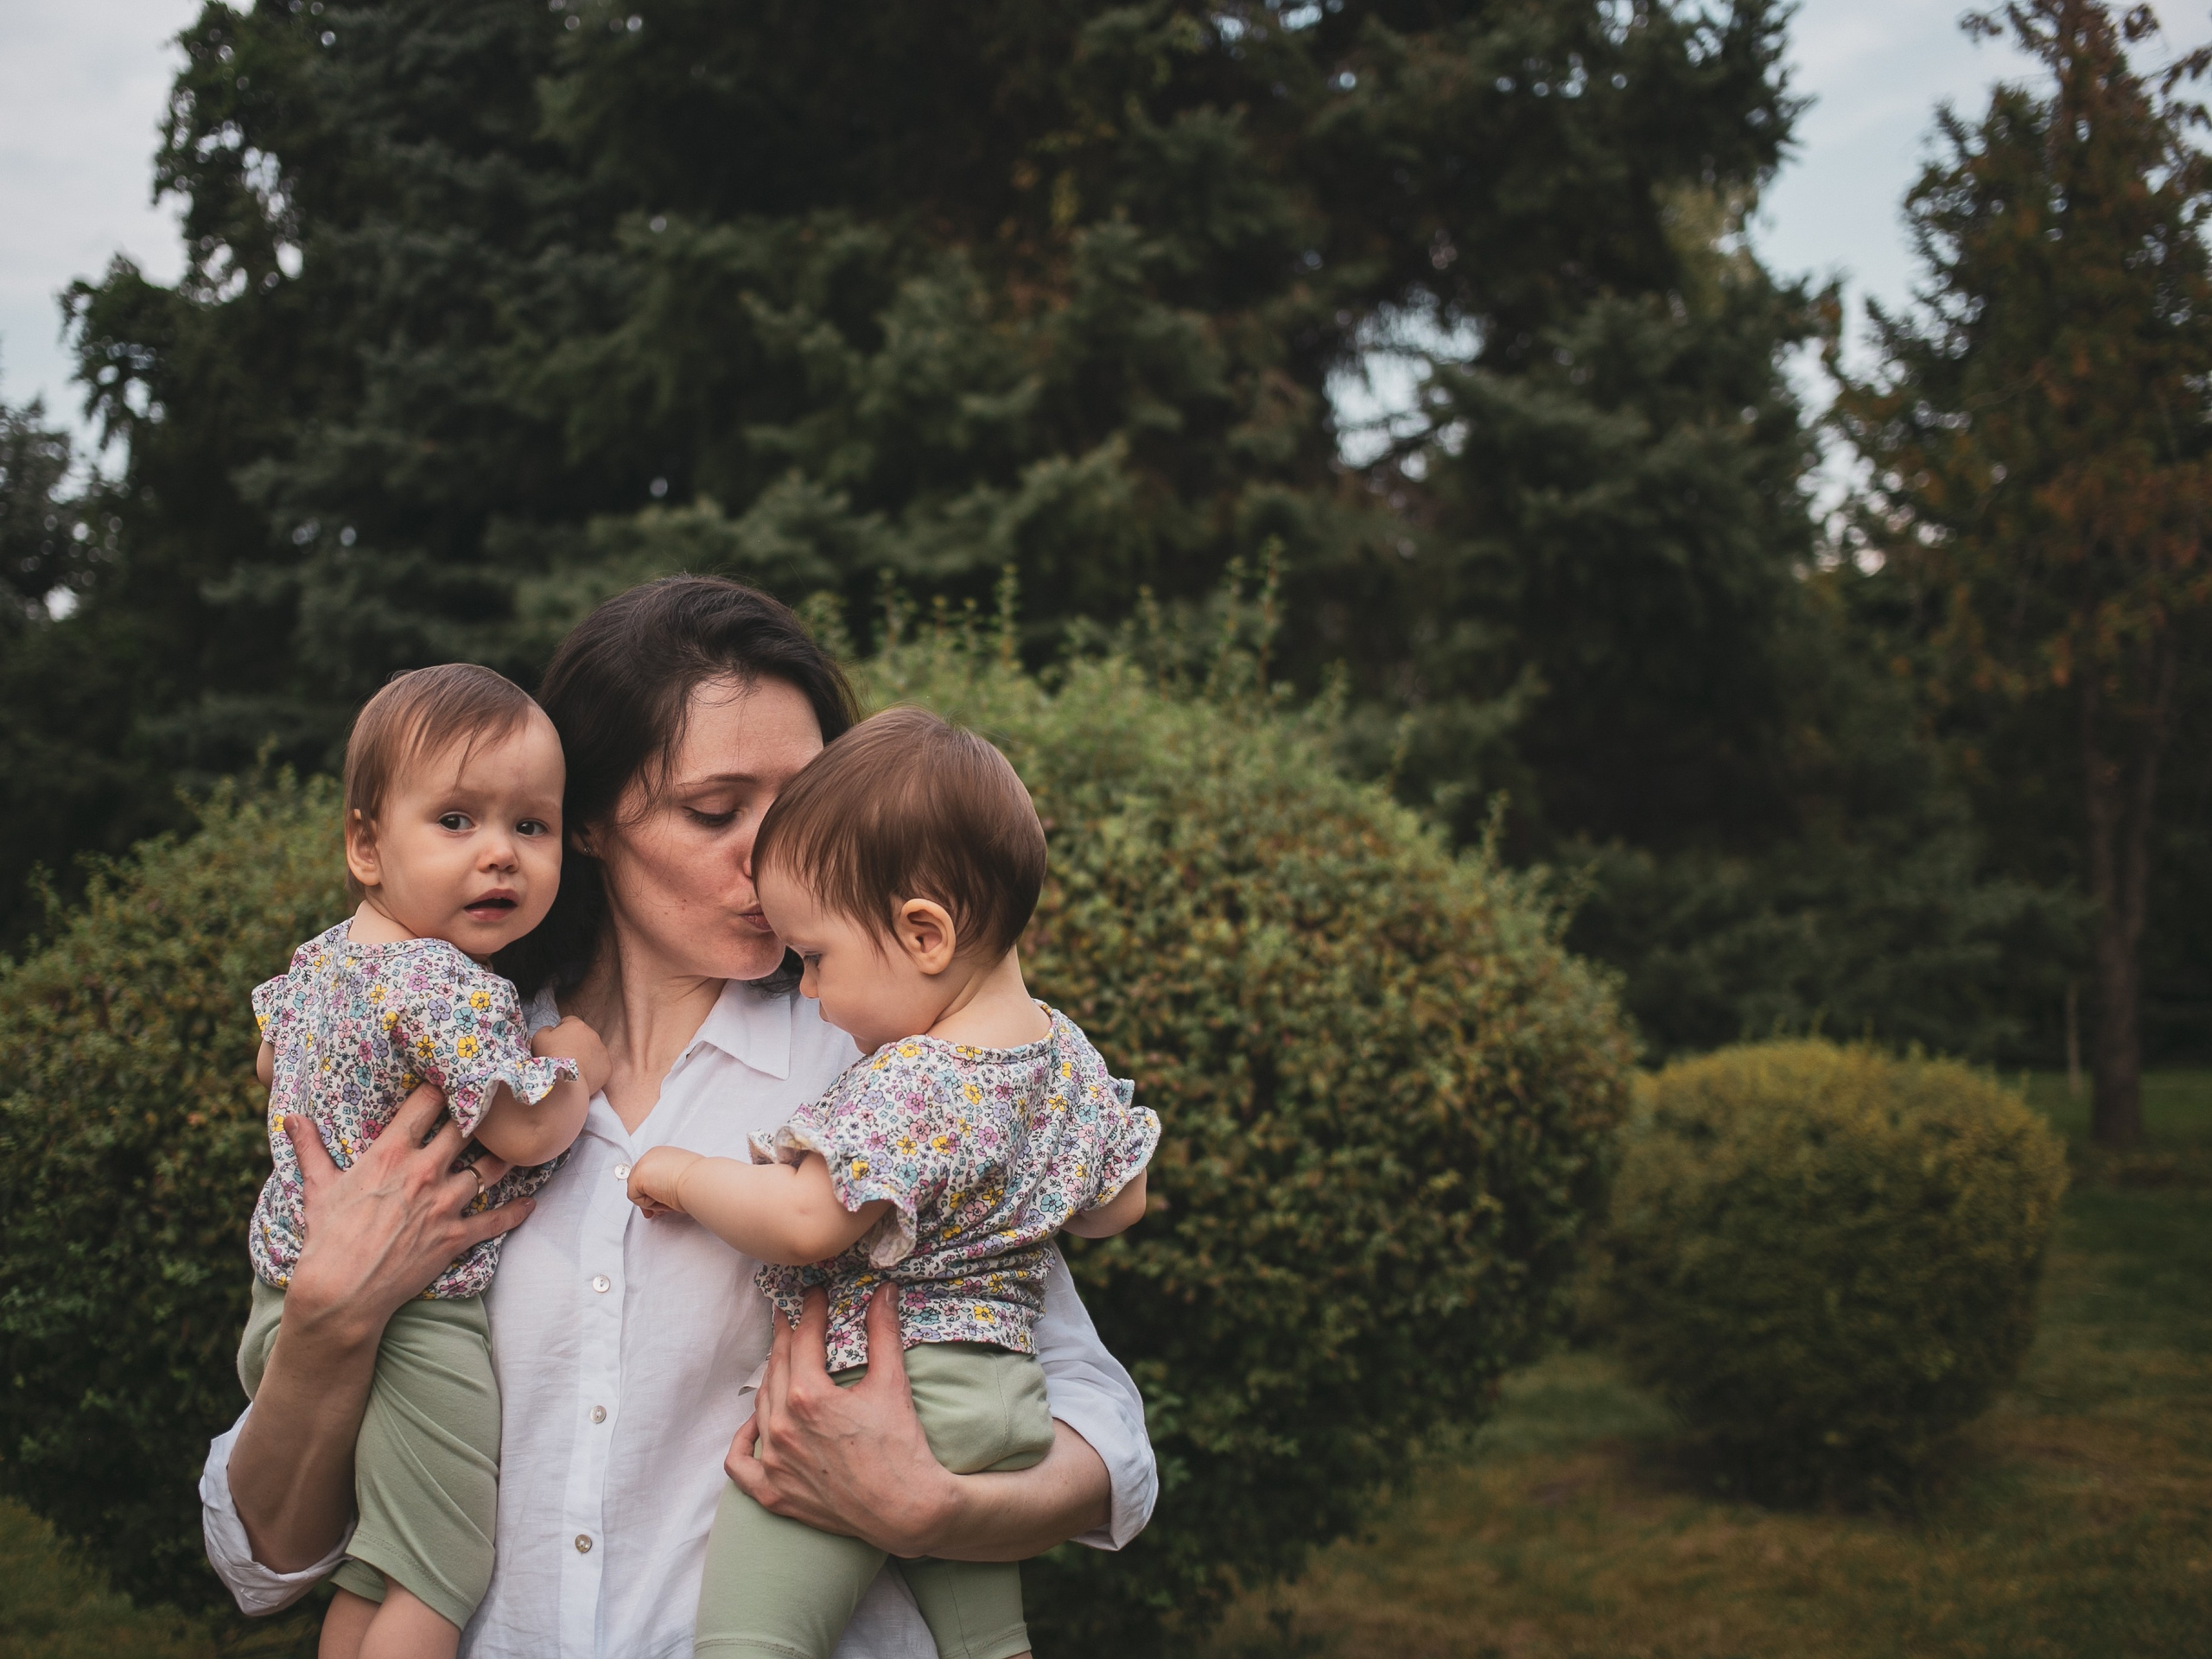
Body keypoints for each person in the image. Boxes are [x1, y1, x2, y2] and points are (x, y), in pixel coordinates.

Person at [200, 577, 1156, 1659]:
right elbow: (267, 1559)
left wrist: (937, 1511)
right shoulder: (447, 1068)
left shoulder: (896, 1070)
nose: (773, 853)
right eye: (715, 811)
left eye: (803, 806)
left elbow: (1095, 1421)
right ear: (591, 822)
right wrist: (326, 1323)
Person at [626, 709, 1159, 1659]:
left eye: (818, 958)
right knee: (989, 1644)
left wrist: (681, 1172)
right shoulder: (1062, 1052)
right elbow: (1119, 1205)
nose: (812, 994)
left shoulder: (912, 1080)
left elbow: (803, 1222)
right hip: (999, 1403)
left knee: (751, 1638)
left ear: (923, 934)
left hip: (876, 1393)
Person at [240, 663, 610, 1659]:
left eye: (531, 828)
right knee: (443, 1577)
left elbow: (270, 1056)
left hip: (282, 1301)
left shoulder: (321, 961)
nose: (500, 855)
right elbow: (527, 1130)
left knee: (381, 1566)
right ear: (367, 843)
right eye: (456, 821)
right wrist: (576, 1057)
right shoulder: (443, 984)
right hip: (417, 1320)